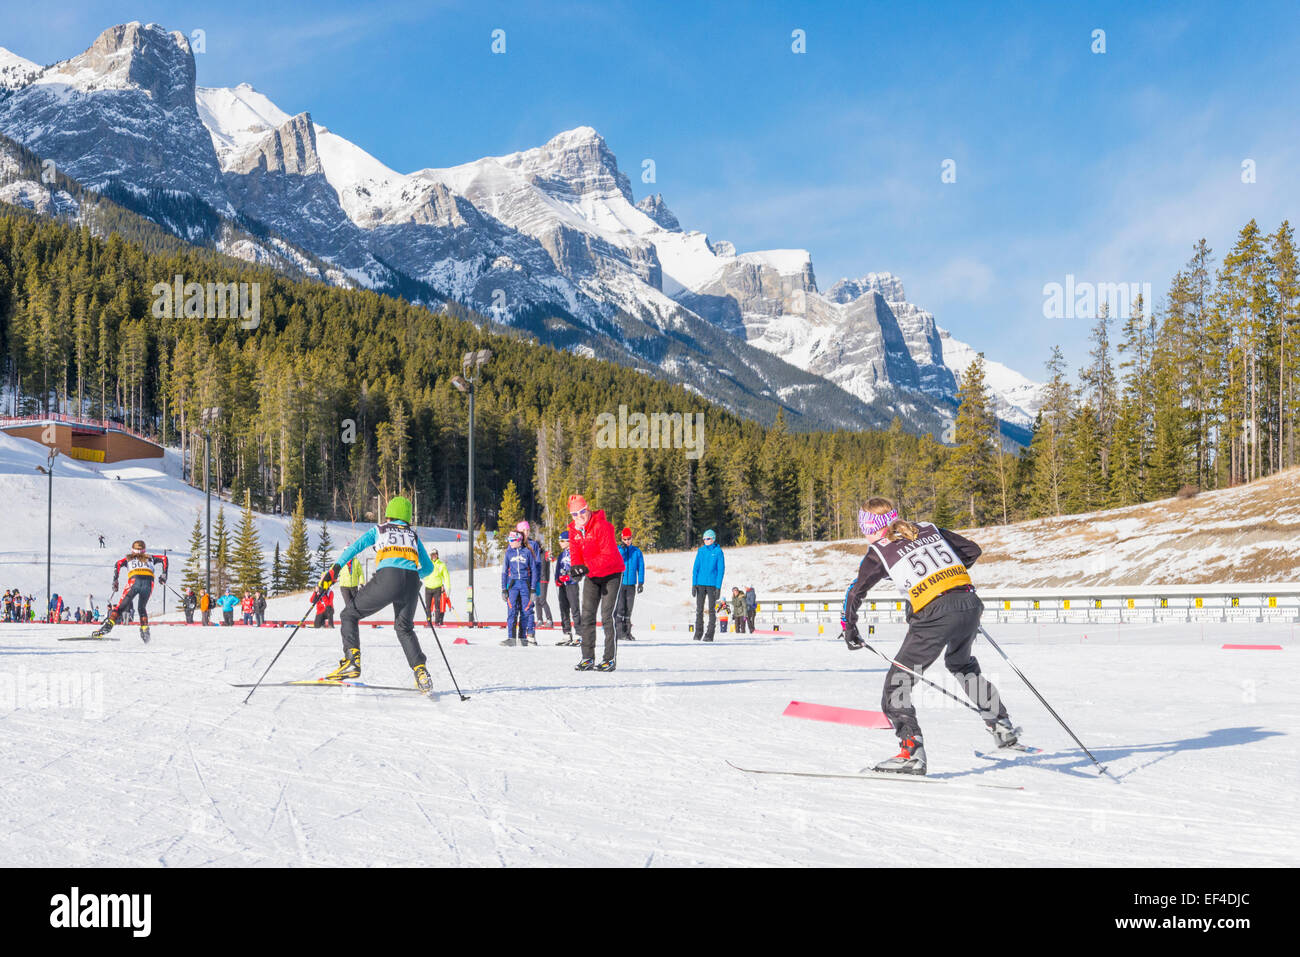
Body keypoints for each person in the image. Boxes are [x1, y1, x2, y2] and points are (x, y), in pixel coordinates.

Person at [842, 514, 1020, 775]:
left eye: (864, 530)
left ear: (872, 529)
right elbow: (972, 550)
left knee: (897, 684)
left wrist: (850, 628)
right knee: (962, 664)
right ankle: (1001, 725)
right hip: (968, 602)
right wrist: (944, 579)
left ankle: (911, 753)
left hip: (935, 614)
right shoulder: (926, 528)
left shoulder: (879, 549)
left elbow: (856, 590)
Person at [314, 496, 438, 694]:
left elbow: (355, 548)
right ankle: (421, 672)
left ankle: (352, 662)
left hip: (388, 578)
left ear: (389, 514)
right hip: (412, 583)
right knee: (404, 628)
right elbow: (429, 567)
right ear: (407, 518)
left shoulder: (380, 529)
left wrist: (335, 570)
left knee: (349, 614)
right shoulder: (413, 536)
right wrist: (415, 574)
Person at [566, 494, 624, 672]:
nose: (579, 516)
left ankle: (609, 659)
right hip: (592, 575)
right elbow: (576, 554)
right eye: (574, 514)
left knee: (607, 617)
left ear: (588, 508)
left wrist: (585, 567)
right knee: (587, 616)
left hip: (612, 574)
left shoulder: (602, 526)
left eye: (582, 511)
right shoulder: (574, 530)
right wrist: (576, 569)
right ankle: (587, 658)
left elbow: (608, 555)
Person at [91, 539, 168, 643]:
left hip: (134, 581)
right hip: (149, 582)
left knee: (120, 608)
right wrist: (164, 575)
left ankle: (106, 628)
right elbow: (164, 558)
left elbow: (117, 564)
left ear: (133, 550)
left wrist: (115, 580)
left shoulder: (128, 559)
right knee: (142, 608)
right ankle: (145, 632)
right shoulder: (151, 558)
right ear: (144, 550)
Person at [500, 529, 538, 646]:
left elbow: (534, 571)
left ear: (519, 541)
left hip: (525, 584)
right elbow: (504, 572)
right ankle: (511, 638)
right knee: (512, 610)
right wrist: (504, 589)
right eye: (509, 540)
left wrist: (533, 589)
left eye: (511, 540)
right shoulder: (509, 552)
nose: (509, 542)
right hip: (513, 585)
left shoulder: (527, 552)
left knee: (526, 610)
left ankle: (523, 638)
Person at [691, 529, 725, 641]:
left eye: (708, 538)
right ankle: (698, 632)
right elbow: (695, 568)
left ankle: (710, 634)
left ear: (713, 539)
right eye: (704, 538)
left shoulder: (718, 551)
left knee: (711, 610)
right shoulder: (701, 551)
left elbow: (721, 570)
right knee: (699, 609)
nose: (706, 540)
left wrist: (718, 587)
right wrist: (694, 584)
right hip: (700, 584)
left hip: (712, 585)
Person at [615, 527, 644, 641]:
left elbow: (640, 567)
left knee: (629, 609)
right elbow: (617, 560)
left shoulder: (637, 551)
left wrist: (641, 582)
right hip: (620, 583)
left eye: (629, 539)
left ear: (632, 538)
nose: (627, 541)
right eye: (625, 539)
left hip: (631, 584)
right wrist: (622, 550)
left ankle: (627, 633)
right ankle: (619, 632)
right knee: (620, 608)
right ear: (622, 539)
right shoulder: (618, 549)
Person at [515, 521, 541, 644]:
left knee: (528, 607)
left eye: (528, 530)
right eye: (524, 531)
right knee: (518, 607)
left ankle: (530, 633)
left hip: (529, 581)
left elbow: (537, 564)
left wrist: (535, 584)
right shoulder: (515, 544)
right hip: (517, 582)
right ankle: (521, 634)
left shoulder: (533, 544)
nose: (526, 533)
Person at [553, 530, 580, 646]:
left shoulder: (575, 553)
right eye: (560, 541)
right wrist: (557, 579)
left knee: (574, 609)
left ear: (569, 541)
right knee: (563, 609)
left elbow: (579, 569)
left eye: (562, 541)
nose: (560, 543)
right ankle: (566, 633)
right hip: (563, 586)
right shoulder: (562, 554)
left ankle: (579, 634)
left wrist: (569, 576)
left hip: (572, 584)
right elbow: (558, 568)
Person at [422, 548, 450, 625]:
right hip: (428, 588)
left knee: (437, 607)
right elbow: (422, 571)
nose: (433, 556)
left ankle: (437, 622)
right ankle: (429, 621)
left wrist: (448, 588)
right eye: (432, 555)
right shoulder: (427, 563)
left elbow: (446, 577)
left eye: (435, 554)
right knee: (428, 606)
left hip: (437, 588)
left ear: (437, 555)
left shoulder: (441, 565)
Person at [536, 548, 554, 626]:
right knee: (537, 601)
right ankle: (539, 620)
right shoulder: (534, 554)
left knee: (542, 600)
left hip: (543, 579)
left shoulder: (544, 553)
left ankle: (549, 619)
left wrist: (551, 556)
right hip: (536, 580)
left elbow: (552, 559)